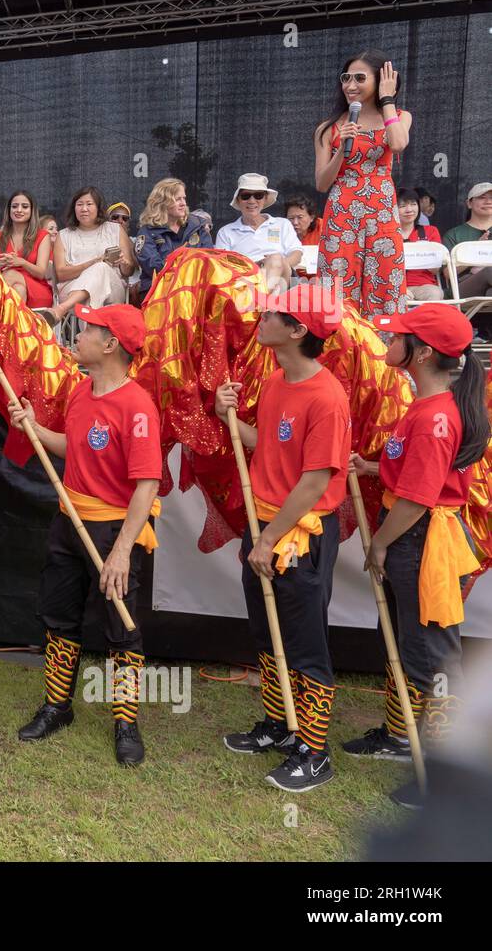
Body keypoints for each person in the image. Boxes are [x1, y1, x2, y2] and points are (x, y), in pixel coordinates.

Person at [344, 303, 487, 810]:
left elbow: (420, 496)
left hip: (420, 540)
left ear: (422, 353)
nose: (390, 342)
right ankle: (402, 738)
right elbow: (408, 473)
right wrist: (371, 466)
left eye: (398, 336)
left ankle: (446, 775)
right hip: (413, 535)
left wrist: (380, 542)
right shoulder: (424, 405)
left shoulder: (436, 417)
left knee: (435, 658)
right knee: (413, 645)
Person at [8, 304, 161, 765]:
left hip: (115, 528)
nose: (79, 335)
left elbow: (147, 485)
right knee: (59, 618)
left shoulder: (137, 406)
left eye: (89, 330)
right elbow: (69, 445)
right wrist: (34, 427)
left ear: (111, 344)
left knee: (122, 628)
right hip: (68, 522)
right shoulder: (81, 391)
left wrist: (120, 551)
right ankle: (57, 707)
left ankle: (125, 721)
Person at [215, 284, 350, 793]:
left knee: (305, 642)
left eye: (275, 314)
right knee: (268, 634)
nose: (263, 317)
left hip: (298, 533)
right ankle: (279, 725)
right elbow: (263, 442)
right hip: (265, 527)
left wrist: (268, 539)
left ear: (298, 331)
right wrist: (226, 410)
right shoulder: (276, 382)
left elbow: (315, 482)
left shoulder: (327, 397)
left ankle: (314, 751)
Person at [314, 51, 411, 320]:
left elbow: (398, 143)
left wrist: (387, 99)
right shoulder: (328, 128)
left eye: (359, 78)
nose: (350, 85)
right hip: (342, 214)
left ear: (380, 80)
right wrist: (338, 151)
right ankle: (339, 356)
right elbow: (322, 183)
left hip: (381, 214)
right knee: (337, 287)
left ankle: (382, 359)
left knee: (384, 284)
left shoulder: (400, 116)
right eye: (346, 78)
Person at [51, 187, 137, 320]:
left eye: (89, 204)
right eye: (79, 204)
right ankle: (94, 339)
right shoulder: (63, 235)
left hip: (112, 291)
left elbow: (129, 271)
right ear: (74, 208)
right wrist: (94, 262)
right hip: (71, 289)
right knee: (92, 290)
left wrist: (123, 263)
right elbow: (61, 274)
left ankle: (61, 308)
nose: (84, 209)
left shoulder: (115, 230)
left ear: (98, 207)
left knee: (101, 268)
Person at [215, 174, 303, 294]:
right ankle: (266, 307)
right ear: (238, 200)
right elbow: (222, 266)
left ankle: (258, 303)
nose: (252, 201)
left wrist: (275, 265)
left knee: (276, 259)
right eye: (246, 196)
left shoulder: (282, 224)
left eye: (258, 195)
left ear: (265, 198)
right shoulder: (226, 232)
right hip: (243, 280)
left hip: (283, 280)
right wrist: (257, 266)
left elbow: (296, 253)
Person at [134, 178, 212, 296]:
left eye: (184, 198)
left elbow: (209, 259)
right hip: (160, 292)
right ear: (162, 202)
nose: (183, 204)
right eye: (177, 199)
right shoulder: (147, 232)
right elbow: (154, 267)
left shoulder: (198, 226)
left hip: (196, 288)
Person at [0, 190, 52, 309]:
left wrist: (21, 262)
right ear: (9, 210)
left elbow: (41, 273)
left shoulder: (42, 235)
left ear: (32, 210)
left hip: (37, 289)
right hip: (9, 289)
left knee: (10, 273)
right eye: (15, 206)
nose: (19, 210)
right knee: (18, 290)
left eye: (25, 206)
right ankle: (14, 327)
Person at [441, 182, 492, 310]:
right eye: (482, 197)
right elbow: (447, 273)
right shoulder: (454, 234)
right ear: (469, 203)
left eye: (491, 197)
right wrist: (475, 251)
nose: (488, 201)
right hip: (463, 288)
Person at [396, 188, 445, 303]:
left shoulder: (430, 231)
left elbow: (435, 270)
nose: (409, 210)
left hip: (423, 286)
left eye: (413, 204)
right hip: (394, 287)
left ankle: (428, 321)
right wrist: (399, 289)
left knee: (435, 292)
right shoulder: (387, 234)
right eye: (402, 206)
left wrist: (424, 252)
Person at [285, 193, 322, 280]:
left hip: (321, 278)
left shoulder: (324, 228)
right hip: (292, 280)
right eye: (291, 218)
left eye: (300, 217)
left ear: (312, 217)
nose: (295, 222)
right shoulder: (282, 231)